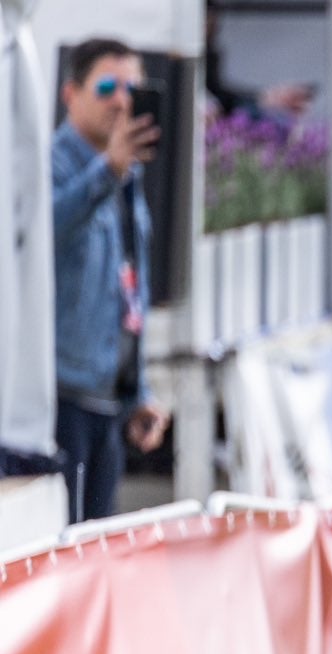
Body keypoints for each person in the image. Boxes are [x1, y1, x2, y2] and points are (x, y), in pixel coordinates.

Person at [51, 38, 168, 524]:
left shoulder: (127, 175)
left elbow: (127, 286)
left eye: (132, 89)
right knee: (62, 551)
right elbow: (43, 233)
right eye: (106, 87)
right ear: (70, 94)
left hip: (107, 404)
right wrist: (108, 170)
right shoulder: (53, 163)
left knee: (95, 551)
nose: (121, 100)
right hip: (60, 402)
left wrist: (137, 390)